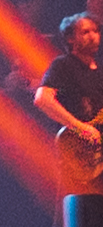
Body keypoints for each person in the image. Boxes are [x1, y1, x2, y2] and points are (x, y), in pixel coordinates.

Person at [33, 12, 103, 186]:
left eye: (95, 31)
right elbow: (42, 99)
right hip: (79, 158)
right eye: (85, 32)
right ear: (70, 38)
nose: (93, 36)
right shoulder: (63, 65)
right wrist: (80, 128)